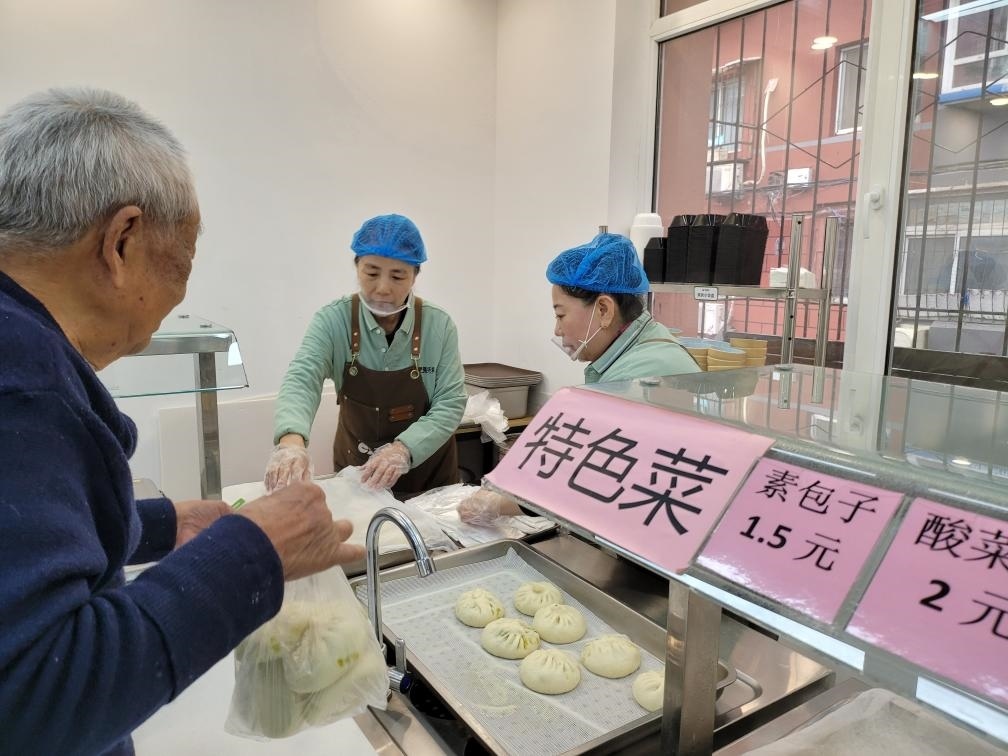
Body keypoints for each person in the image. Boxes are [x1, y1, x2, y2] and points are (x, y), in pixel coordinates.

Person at [0, 87, 365, 756]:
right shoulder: (21, 382)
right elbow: (33, 694)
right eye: (184, 265)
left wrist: (158, 526)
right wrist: (254, 551)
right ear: (122, 241)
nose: (178, 297)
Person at [459, 232, 699, 524]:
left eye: (560, 315)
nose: (557, 330)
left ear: (604, 310)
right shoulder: (640, 351)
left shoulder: (639, 375)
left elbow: (592, 480)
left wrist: (499, 503)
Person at [264, 214, 467, 496]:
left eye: (398, 276)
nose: (383, 288)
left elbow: (450, 402)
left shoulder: (439, 325)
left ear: (415, 276)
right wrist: (291, 442)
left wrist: (403, 449)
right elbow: (302, 379)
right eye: (372, 273)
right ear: (357, 267)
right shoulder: (333, 320)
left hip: (429, 480)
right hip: (359, 477)